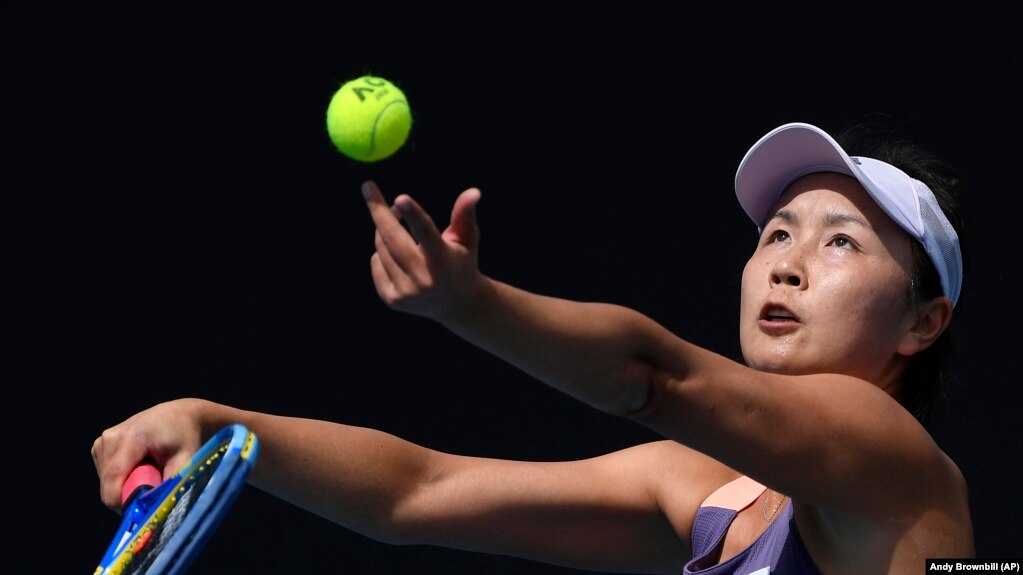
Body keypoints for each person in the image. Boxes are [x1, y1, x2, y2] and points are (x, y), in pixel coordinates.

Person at [92, 120, 976, 574]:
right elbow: (417, 491)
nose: (784, 266)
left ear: (920, 323)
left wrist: (470, 304)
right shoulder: (705, 490)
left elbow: (651, 374)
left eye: (839, 243)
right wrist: (223, 428)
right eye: (775, 234)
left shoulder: (892, 460)